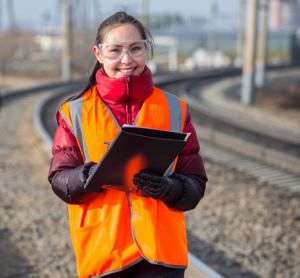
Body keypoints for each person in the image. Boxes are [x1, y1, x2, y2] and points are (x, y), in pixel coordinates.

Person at [48, 11, 207, 278]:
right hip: (104, 252)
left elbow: (195, 183)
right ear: (98, 54)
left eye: (135, 49)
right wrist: (88, 176)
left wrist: (171, 188)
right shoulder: (74, 112)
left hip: (161, 255)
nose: (126, 60)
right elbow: (59, 179)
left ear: (146, 49)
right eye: (115, 51)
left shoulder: (174, 108)